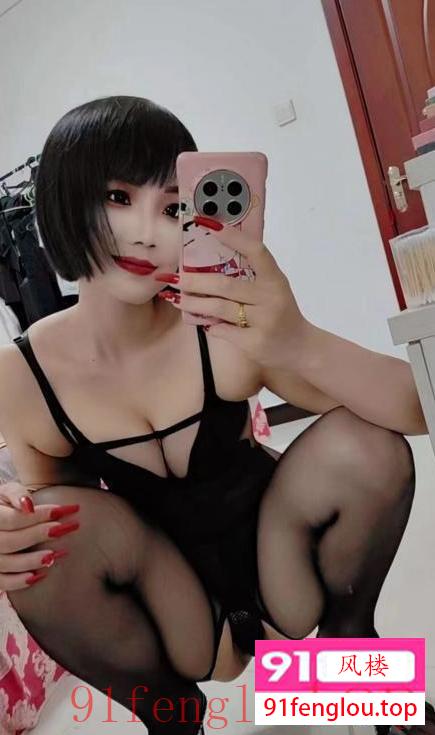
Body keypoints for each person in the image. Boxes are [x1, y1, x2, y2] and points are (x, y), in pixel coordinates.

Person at [0, 95, 428, 735]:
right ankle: (175, 719)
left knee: (364, 441)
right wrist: (13, 523)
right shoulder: (21, 373)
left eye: (174, 207)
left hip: (284, 574)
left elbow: (417, 408)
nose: (146, 231)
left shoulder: (219, 320)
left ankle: (344, 658)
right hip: (179, 614)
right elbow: (63, 512)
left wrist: (298, 339)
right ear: (64, 200)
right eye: (118, 198)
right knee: (47, 540)